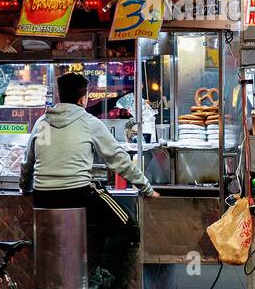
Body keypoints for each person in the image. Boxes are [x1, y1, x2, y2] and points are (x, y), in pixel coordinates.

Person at [21, 71, 157, 208]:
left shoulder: (42, 123)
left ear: (60, 96)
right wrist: (147, 188)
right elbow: (118, 158)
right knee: (128, 224)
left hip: (42, 197)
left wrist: (26, 188)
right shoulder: (89, 122)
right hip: (76, 195)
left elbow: (27, 163)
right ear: (82, 99)